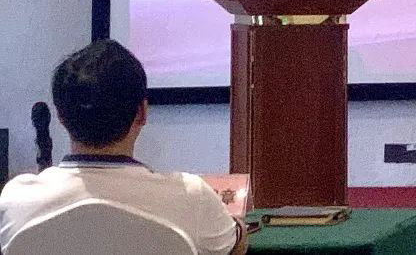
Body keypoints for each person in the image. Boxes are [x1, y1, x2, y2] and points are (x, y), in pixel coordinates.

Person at [0, 40, 247, 255]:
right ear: (142, 112)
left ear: (60, 116)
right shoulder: (192, 198)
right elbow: (234, 245)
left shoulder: (16, 200)